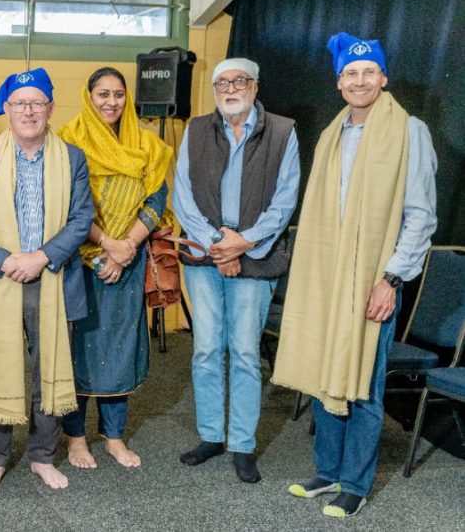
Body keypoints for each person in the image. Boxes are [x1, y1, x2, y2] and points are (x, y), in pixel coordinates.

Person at [273, 33, 437, 517]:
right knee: (327, 372)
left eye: (369, 72)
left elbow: (421, 215)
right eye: (350, 74)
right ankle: (327, 471)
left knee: (362, 380)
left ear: (383, 78)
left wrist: (392, 278)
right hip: (329, 277)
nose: (359, 80)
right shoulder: (332, 134)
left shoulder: (410, 131)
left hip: (374, 280)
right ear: (339, 82)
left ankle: (355, 482)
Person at [0, 67, 94, 491]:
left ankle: (41, 455)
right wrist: (4, 260)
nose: (29, 111)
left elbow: (81, 218)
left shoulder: (71, 158)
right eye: (20, 104)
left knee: (48, 372)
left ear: (50, 108)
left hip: (53, 280)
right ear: (7, 110)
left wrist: (41, 257)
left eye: (38, 103)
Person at [172, 57, 301, 483]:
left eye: (239, 81)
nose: (230, 88)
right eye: (222, 83)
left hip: (256, 256)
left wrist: (241, 245)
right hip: (204, 259)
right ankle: (211, 435)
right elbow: (183, 196)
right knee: (206, 350)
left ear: (255, 86)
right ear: (214, 91)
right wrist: (217, 245)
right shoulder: (195, 130)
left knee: (245, 353)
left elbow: (285, 202)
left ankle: (242, 445)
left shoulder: (283, 132)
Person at [57, 67, 172, 469]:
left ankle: (114, 436)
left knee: (120, 348)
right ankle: (75, 438)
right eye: (103, 94)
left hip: (128, 261)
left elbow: (156, 198)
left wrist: (127, 247)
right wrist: (105, 245)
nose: (111, 102)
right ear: (89, 96)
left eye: (119, 94)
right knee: (78, 350)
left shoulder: (148, 144)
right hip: (81, 262)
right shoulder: (69, 140)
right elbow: (68, 206)